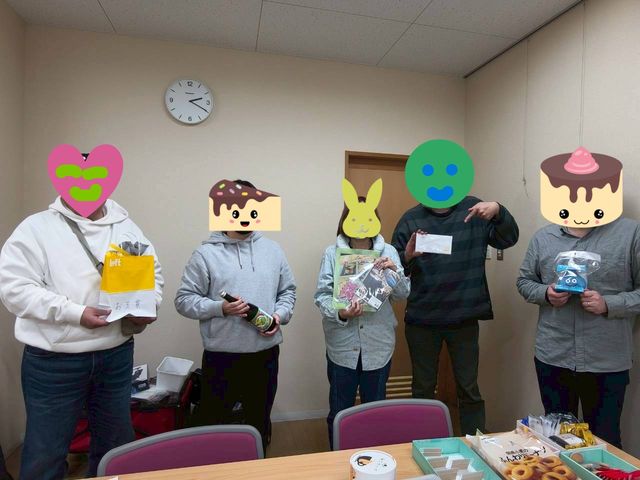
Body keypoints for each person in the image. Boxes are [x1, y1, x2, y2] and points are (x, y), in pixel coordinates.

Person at [0, 196, 163, 480]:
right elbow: (15, 290)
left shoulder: (126, 227)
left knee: (115, 447)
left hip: (115, 355)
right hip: (53, 361)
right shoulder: (36, 228)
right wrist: (75, 313)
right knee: (45, 454)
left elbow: (153, 276)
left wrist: (147, 307)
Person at [174, 179, 296, 452]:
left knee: (258, 425)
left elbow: (288, 291)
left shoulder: (273, 250)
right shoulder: (205, 254)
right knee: (216, 429)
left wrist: (279, 316)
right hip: (222, 358)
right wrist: (220, 308)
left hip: (265, 356)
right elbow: (183, 300)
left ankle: (257, 467)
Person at [392, 198, 518, 434]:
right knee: (423, 389)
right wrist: (407, 256)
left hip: (464, 317)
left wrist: (499, 210)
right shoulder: (410, 219)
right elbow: (393, 271)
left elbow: (508, 239)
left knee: (469, 389)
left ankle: (475, 444)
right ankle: (421, 442)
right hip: (422, 319)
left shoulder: (475, 211)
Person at [516, 218, 639, 448]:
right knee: (557, 440)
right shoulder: (543, 237)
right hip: (553, 356)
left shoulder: (631, 233)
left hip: (607, 360)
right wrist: (546, 294)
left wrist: (608, 304)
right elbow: (524, 281)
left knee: (605, 441)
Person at [314, 198, 410, 449]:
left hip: (378, 345)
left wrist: (395, 272)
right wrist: (342, 313)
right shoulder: (332, 253)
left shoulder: (388, 252)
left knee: (374, 413)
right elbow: (322, 296)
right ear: (346, 219)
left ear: (374, 219)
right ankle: (337, 459)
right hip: (342, 346)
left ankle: (373, 461)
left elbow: (402, 295)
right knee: (339, 412)